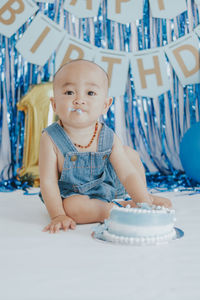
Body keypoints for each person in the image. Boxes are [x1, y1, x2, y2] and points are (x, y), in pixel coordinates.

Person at [39, 59, 172, 234]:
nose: (79, 99)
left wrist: (144, 202)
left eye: (90, 93)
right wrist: (57, 215)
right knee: (73, 208)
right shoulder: (50, 138)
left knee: (130, 155)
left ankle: (139, 200)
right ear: (55, 104)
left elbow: (127, 173)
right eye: (70, 92)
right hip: (74, 195)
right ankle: (117, 209)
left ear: (105, 105)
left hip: (108, 185)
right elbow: (48, 181)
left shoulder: (108, 135)